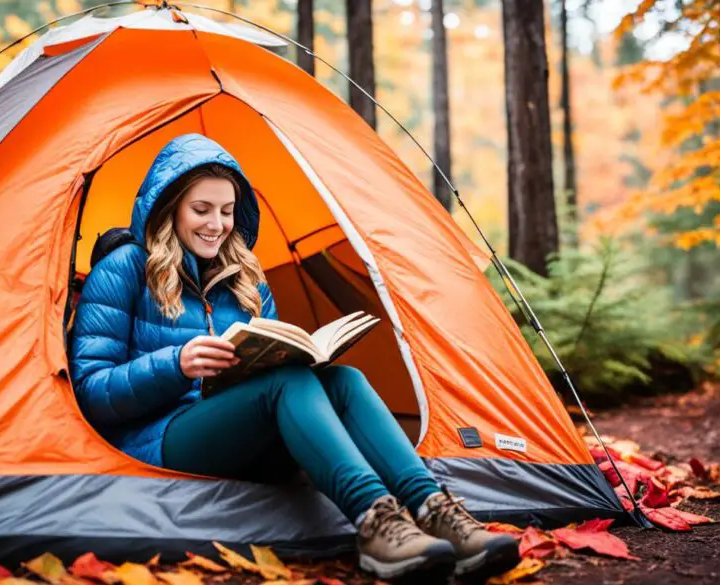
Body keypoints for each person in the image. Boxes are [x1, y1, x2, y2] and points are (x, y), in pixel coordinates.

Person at [69, 134, 519, 581]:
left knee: (344, 381)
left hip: (241, 433)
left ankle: (433, 508)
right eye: (201, 210)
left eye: (227, 212)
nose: (217, 224)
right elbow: (91, 392)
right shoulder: (125, 267)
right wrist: (175, 364)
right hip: (159, 438)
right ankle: (374, 522)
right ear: (169, 209)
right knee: (288, 385)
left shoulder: (246, 279)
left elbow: (273, 367)